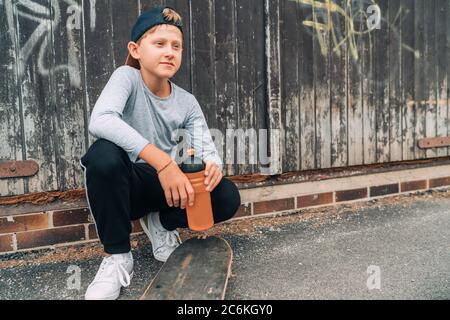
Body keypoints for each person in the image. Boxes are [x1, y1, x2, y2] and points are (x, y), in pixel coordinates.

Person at [79, 5, 241, 300]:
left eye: (176, 46)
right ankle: (117, 257)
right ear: (136, 49)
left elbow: (208, 149)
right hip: (125, 189)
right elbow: (100, 120)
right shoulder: (126, 78)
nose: (169, 52)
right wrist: (164, 161)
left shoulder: (187, 102)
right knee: (103, 155)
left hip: (166, 188)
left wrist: (213, 166)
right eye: (159, 43)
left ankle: (160, 224)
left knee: (226, 194)